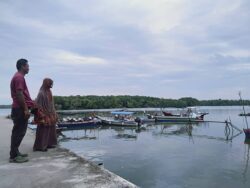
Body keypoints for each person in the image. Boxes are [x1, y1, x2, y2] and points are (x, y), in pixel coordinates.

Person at [10, 58, 35, 163]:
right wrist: (25, 110)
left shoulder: (18, 77)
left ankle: (15, 152)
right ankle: (14, 156)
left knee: (18, 131)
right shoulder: (19, 77)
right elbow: (19, 94)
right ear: (22, 66)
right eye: (27, 66)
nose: (28, 68)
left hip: (18, 108)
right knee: (19, 132)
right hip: (19, 109)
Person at [33, 78, 58, 151]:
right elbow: (38, 105)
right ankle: (40, 146)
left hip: (50, 114)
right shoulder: (41, 93)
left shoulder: (49, 92)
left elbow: (51, 104)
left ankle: (49, 144)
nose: (51, 85)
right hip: (44, 114)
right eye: (50, 83)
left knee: (51, 130)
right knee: (43, 131)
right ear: (46, 83)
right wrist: (41, 114)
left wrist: (54, 113)